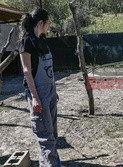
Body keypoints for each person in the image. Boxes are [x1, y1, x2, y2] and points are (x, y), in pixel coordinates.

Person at [19, 8, 62, 167]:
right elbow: (26, 71)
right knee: (45, 135)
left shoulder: (41, 40)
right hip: (38, 93)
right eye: (48, 22)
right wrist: (35, 97)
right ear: (40, 23)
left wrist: (54, 90)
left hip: (49, 92)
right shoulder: (27, 42)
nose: (49, 25)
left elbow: (48, 69)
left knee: (52, 134)